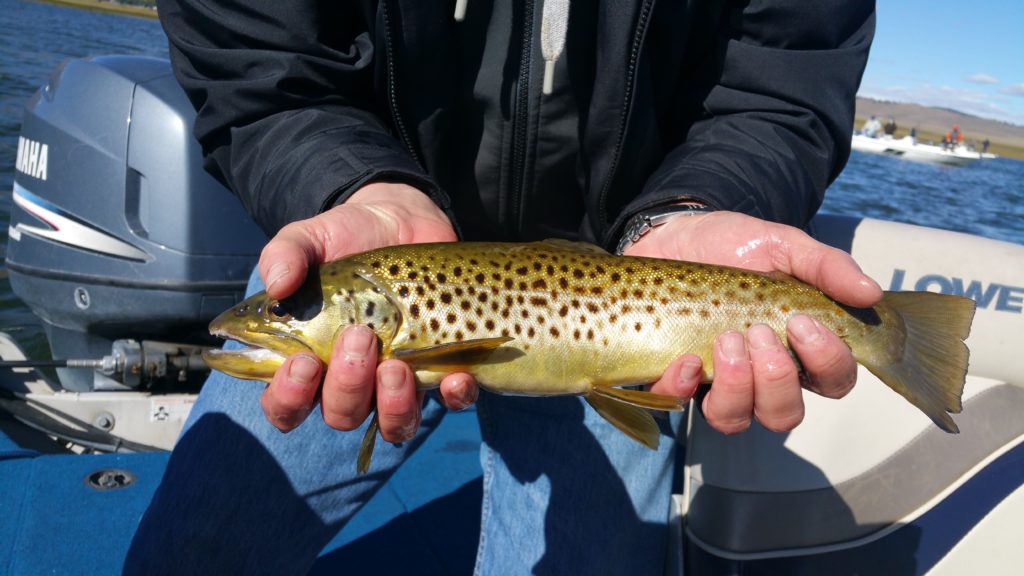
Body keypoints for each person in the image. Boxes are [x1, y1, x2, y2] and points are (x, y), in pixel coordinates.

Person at [126, 1, 878, 573]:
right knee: (192, 549)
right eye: (278, 316)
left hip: (628, 263)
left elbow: (783, 89)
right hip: (367, 226)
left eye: (275, 317)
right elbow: (256, 57)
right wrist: (353, 184)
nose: (259, 321)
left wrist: (701, 205)